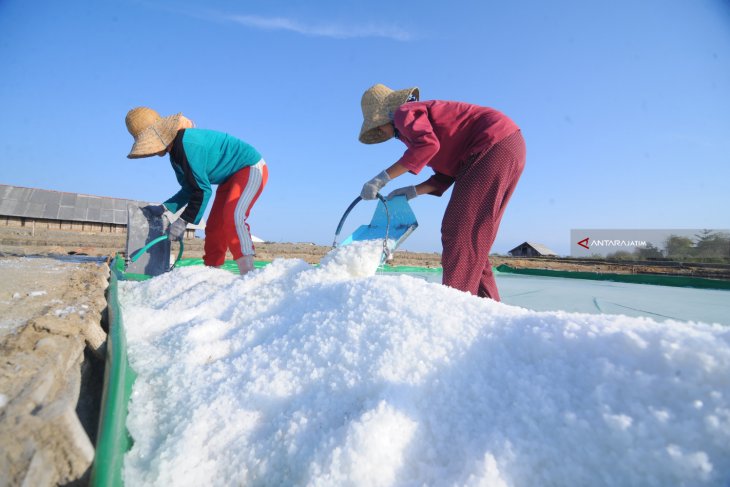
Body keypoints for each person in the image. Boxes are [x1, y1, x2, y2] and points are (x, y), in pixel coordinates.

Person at [358, 84, 525, 300]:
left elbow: (427, 147)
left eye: (379, 127)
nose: (382, 133)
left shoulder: (403, 113)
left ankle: (455, 305)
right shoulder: (419, 129)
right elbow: (444, 176)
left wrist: (381, 179)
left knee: (459, 230)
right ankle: (489, 308)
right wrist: (411, 191)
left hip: (492, 144)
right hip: (504, 146)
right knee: (474, 239)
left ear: (385, 115)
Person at [125, 107, 268, 275]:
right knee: (214, 226)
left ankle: (248, 272)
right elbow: (189, 188)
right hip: (228, 178)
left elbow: (202, 191)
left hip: (249, 167)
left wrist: (182, 222)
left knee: (233, 216)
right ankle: (212, 271)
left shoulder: (187, 146)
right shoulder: (176, 155)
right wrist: (165, 208)